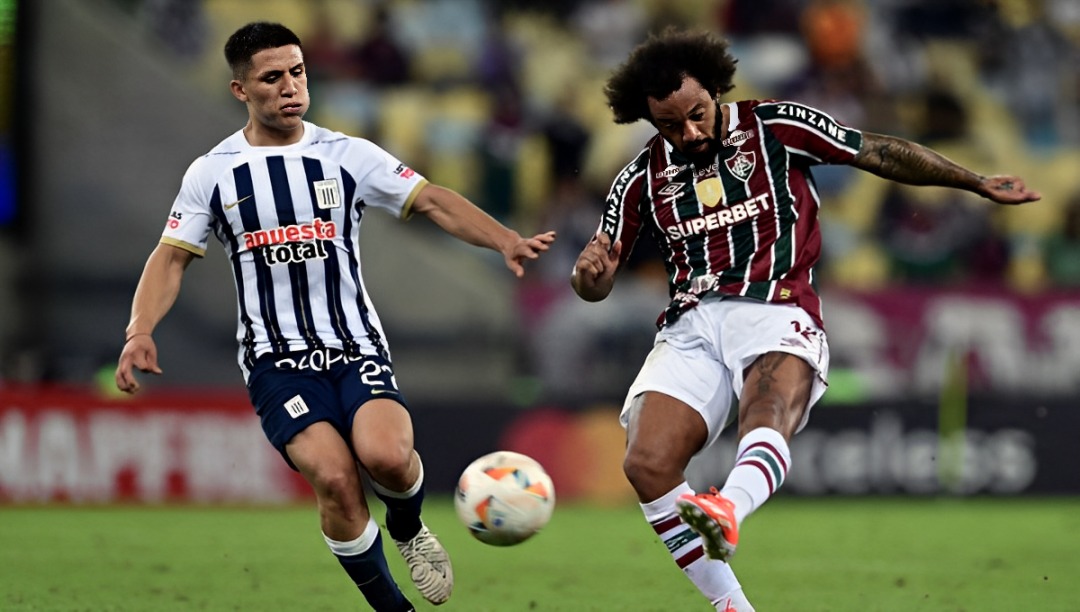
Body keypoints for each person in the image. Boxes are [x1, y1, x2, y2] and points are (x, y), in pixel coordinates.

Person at [570, 28, 1039, 611]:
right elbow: (596, 279)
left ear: (716, 89)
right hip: (691, 324)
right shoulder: (638, 177)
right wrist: (588, 275)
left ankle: (729, 509)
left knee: (766, 410)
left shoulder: (775, 126)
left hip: (776, 307)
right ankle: (733, 606)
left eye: (696, 114)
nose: (688, 133)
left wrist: (972, 181)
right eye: (670, 125)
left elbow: (878, 151)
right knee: (646, 464)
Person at [114, 22, 555, 612]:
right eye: (273, 77)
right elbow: (170, 259)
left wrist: (503, 239)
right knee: (336, 478)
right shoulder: (213, 173)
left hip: (355, 346)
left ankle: (406, 526)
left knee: (389, 460)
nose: (291, 87)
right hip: (276, 363)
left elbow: (430, 199)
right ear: (241, 90)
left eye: (297, 71)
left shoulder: (346, 154)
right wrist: (139, 331)